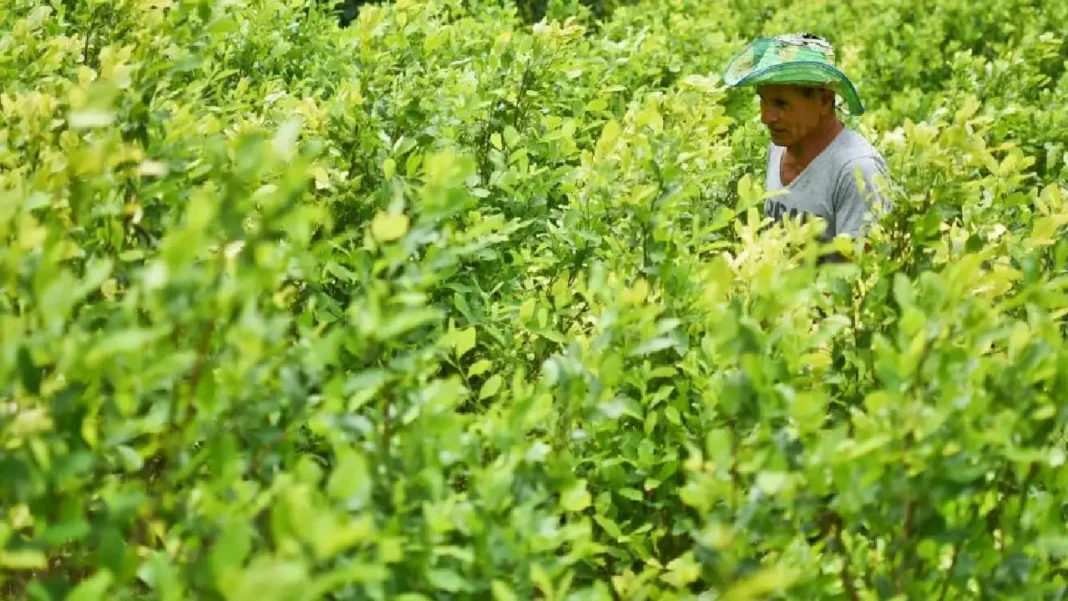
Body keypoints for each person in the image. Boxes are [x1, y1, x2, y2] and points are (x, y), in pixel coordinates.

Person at [723, 33, 891, 254]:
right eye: (763, 99)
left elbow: (861, 268)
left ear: (824, 101)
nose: (766, 117)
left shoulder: (856, 170)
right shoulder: (780, 145)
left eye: (781, 103)